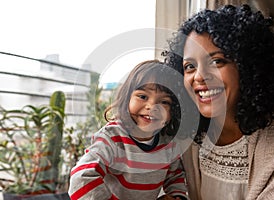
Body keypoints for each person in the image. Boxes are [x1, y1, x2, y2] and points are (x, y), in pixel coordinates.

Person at [162, 4, 274, 200]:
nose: (199, 76)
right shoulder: (185, 135)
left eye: (217, 61)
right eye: (190, 66)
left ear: (249, 66)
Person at [68, 60, 190, 200]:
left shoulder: (168, 145)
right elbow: (81, 178)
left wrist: (177, 197)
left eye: (164, 102)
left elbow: (175, 177)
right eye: (143, 96)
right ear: (127, 98)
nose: (152, 106)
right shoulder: (112, 138)